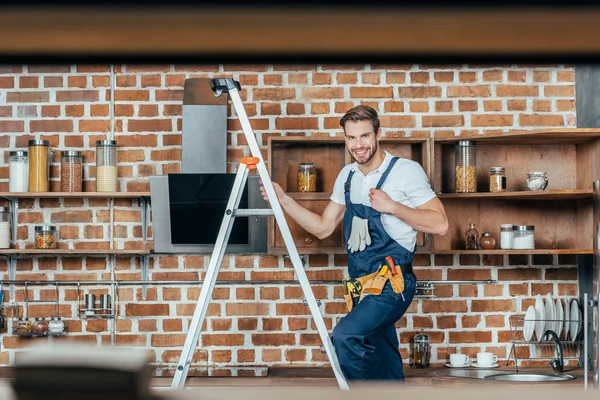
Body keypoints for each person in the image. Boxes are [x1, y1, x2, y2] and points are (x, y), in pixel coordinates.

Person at [259, 105, 448, 382]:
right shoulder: (347, 177)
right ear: (345, 139)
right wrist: (284, 200)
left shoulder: (406, 171)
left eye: (364, 136)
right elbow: (323, 228)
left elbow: (440, 224)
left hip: (393, 285)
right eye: (351, 138)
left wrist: (393, 206)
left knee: (346, 336)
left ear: (378, 134)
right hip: (362, 287)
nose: (358, 145)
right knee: (382, 359)